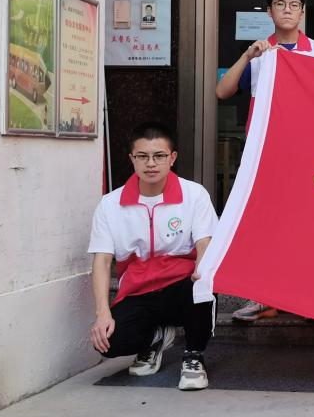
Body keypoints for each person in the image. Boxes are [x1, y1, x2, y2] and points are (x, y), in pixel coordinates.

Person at [216, 0, 314, 323]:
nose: (287, 10)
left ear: (303, 11)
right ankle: (261, 296)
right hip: (263, 151)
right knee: (264, 222)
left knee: (306, 224)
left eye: (294, 5)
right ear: (269, 11)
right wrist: (246, 55)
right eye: (280, 4)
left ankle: (306, 296)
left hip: (306, 151)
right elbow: (222, 91)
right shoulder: (258, 52)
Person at [88, 122, 218, 391]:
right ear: (131, 159)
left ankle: (193, 355)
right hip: (138, 289)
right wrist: (102, 313)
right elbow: (102, 260)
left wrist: (202, 271)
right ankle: (155, 338)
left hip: (180, 284)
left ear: (172, 158)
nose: (151, 163)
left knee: (202, 285)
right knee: (109, 342)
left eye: (159, 156)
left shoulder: (194, 195)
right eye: (142, 156)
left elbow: (205, 243)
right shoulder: (110, 204)